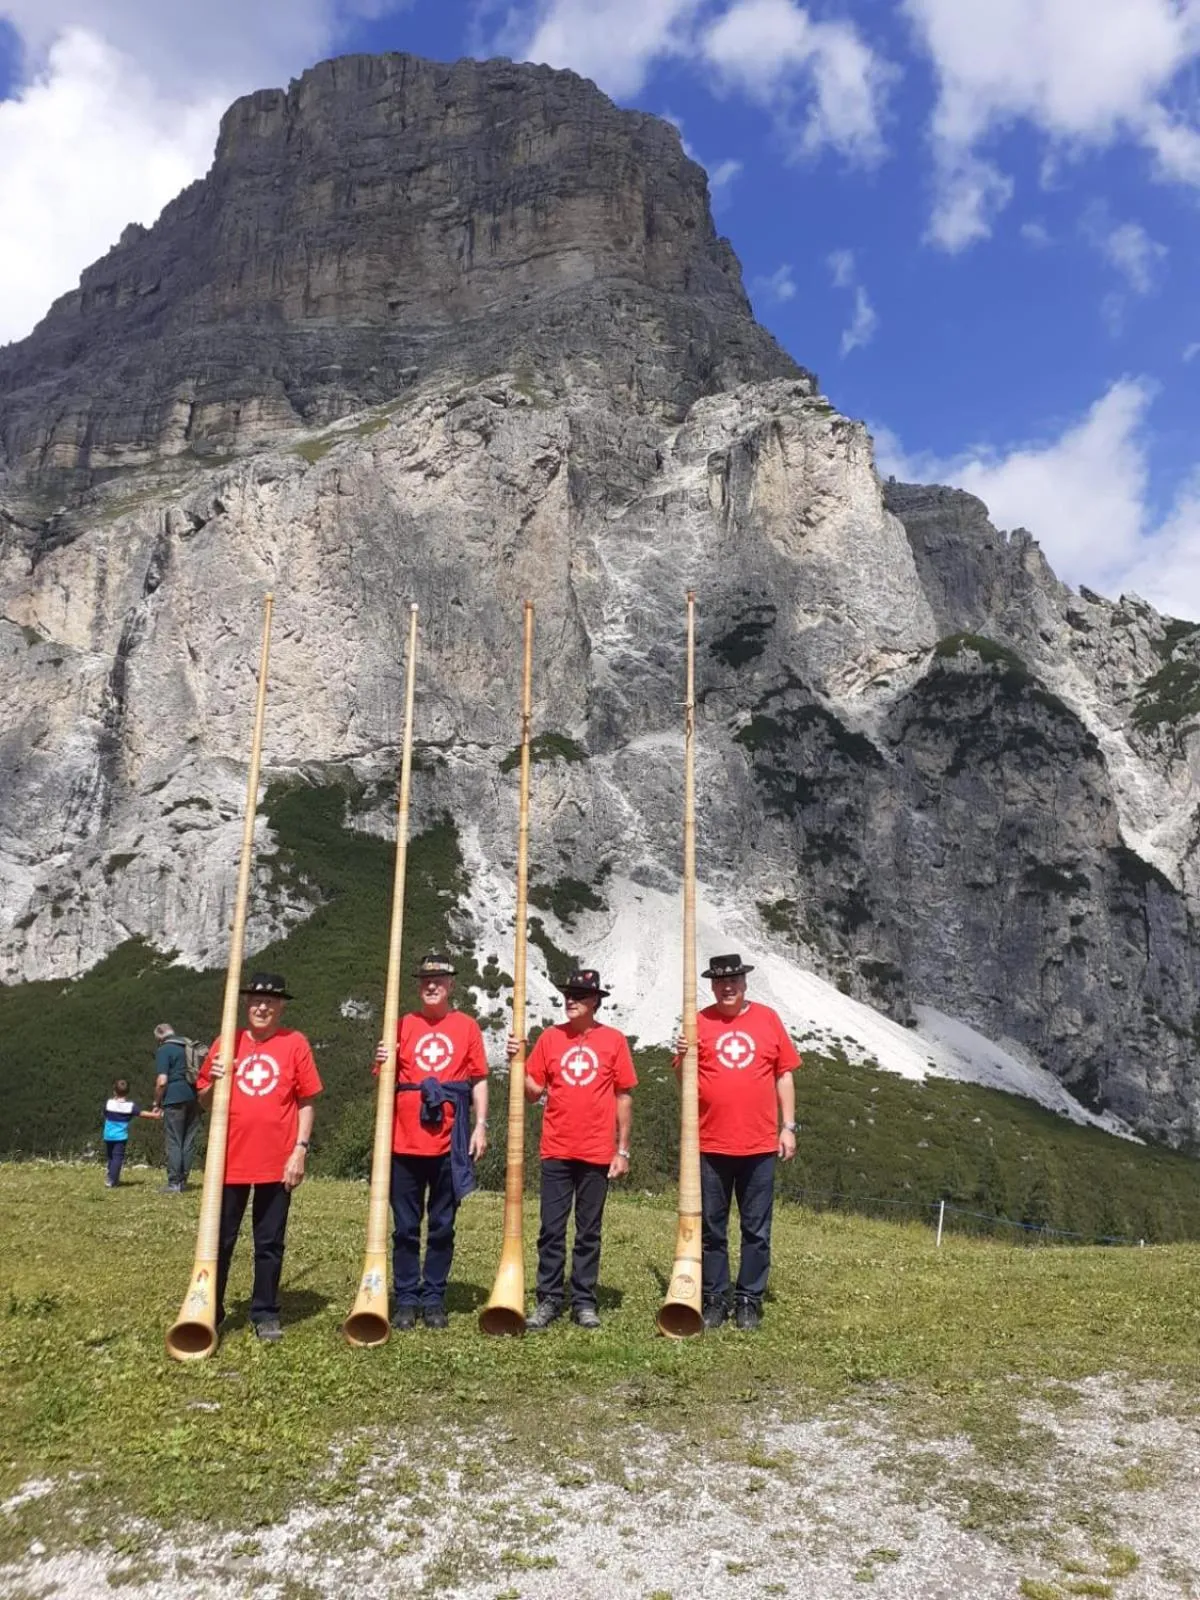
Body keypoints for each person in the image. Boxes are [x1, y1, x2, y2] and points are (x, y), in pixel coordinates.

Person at [673, 953, 799, 1331]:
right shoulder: (699, 1022)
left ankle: (749, 1299)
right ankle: (714, 1297)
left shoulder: (768, 1019)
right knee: (712, 1228)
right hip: (710, 1144)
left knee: (756, 1228)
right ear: (712, 986)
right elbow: (685, 1085)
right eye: (720, 982)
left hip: (759, 1144)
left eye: (734, 980)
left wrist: (788, 1126)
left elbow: (784, 1075)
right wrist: (681, 1058)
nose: (727, 987)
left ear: (745, 984)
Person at [195, 972, 322, 1343]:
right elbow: (202, 1101)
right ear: (246, 1004)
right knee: (220, 1240)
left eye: (269, 1001)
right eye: (255, 1001)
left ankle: (265, 1311)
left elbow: (307, 1100)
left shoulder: (295, 1043)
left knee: (269, 1241)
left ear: (281, 1006)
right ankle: (209, 1309)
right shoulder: (227, 1041)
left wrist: (300, 1149)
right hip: (228, 1159)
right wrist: (216, 1081)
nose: (262, 1007)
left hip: (276, 1161)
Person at [517, 967, 636, 1331]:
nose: (571, 1000)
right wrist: (517, 1061)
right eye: (568, 994)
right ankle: (549, 1298)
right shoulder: (550, 1039)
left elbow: (624, 1095)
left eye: (579, 996)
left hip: (597, 1152)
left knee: (589, 1230)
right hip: (556, 1149)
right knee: (551, 1229)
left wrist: (623, 1150)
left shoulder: (614, 1041)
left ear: (595, 1002)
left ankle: (584, 1300)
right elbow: (533, 1092)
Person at [377, 953, 488, 1331]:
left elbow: (479, 1078)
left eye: (439, 978)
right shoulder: (402, 1024)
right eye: (425, 979)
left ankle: (434, 1297)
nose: (432, 984)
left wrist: (481, 1124)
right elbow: (383, 1078)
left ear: (451, 984)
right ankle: (406, 1298)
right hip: (403, 1142)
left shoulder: (467, 1026)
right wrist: (382, 1059)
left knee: (442, 1224)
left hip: (449, 1142)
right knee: (405, 1225)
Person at [152, 1022, 199, 1192]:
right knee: (188, 1141)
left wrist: (156, 1102)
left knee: (174, 1141)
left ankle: (173, 1183)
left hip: (174, 1098)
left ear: (159, 1037)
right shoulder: (187, 1046)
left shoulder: (164, 1050)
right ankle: (183, 1182)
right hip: (194, 1097)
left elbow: (162, 1081)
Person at [101, 1079, 160, 1186]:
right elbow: (141, 1113)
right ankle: (112, 1180)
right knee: (117, 1158)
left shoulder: (109, 1103)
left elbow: (105, 1113)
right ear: (128, 1092)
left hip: (108, 1135)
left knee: (110, 1157)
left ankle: (110, 1175)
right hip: (120, 1137)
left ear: (114, 1091)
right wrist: (155, 1115)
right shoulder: (130, 1106)